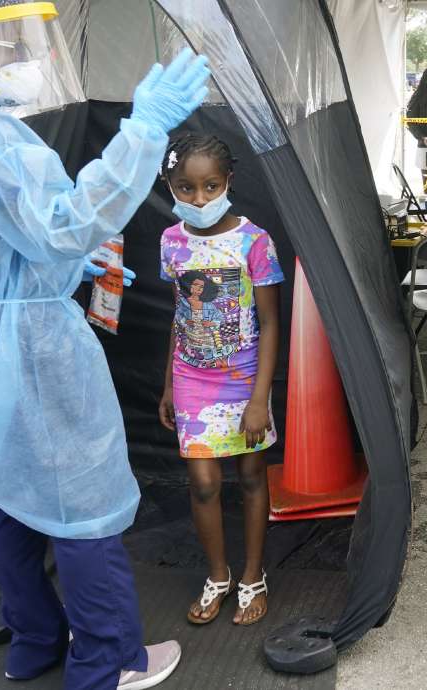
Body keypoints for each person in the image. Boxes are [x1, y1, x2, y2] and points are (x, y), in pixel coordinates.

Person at [0, 2, 211, 687]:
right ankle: (110, 662)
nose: (21, 52)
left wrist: (47, 269)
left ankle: (34, 642)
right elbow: (62, 222)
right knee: (81, 505)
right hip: (21, 345)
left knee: (9, 497)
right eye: (3, 38)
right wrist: (142, 131)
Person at [157, 134, 285, 628]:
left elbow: (271, 322)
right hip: (192, 377)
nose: (200, 199)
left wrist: (260, 398)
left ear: (228, 181)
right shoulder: (172, 241)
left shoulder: (254, 241)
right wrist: (169, 383)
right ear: (169, 185)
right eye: (186, 188)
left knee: (251, 476)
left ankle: (254, 575)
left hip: (245, 379)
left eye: (211, 186)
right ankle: (218, 574)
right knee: (204, 482)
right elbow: (178, 316)